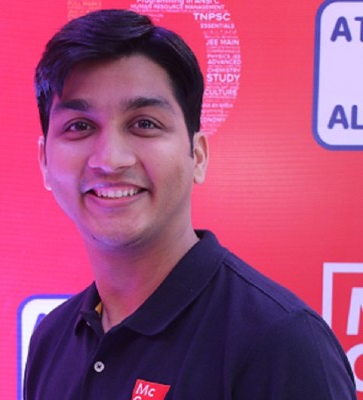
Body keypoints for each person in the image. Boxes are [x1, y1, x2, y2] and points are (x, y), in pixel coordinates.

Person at [24, 9, 357, 400]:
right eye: (79, 127)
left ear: (197, 156)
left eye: (144, 124)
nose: (110, 159)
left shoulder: (280, 341)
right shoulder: (51, 340)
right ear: (45, 162)